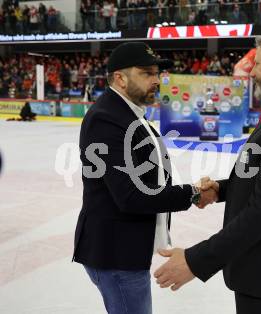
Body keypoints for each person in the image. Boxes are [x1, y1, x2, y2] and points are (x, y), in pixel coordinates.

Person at [154, 31, 261, 314]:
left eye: (257, 63)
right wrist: (219, 190)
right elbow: (259, 180)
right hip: (259, 268)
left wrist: (195, 261)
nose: (252, 72)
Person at [72, 42, 217, 314]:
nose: (156, 80)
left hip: (126, 249)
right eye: (147, 73)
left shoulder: (131, 115)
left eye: (157, 73)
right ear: (120, 78)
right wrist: (194, 193)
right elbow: (131, 195)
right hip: (116, 255)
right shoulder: (106, 119)